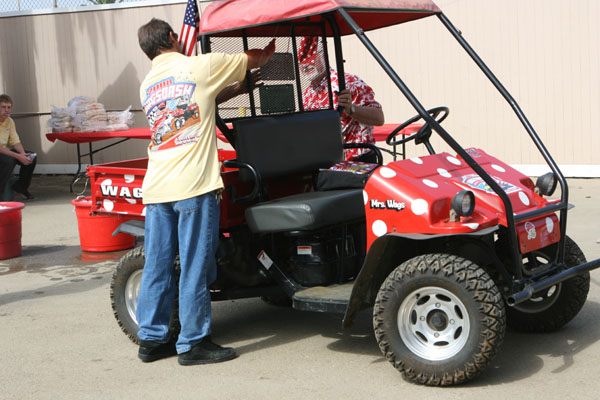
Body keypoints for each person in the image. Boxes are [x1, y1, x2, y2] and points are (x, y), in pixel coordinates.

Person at [135, 18, 275, 366]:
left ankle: (151, 340)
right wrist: (272, 47)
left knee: (157, 266)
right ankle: (193, 342)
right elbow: (254, 58)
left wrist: (237, 90)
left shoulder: (148, 84)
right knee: (195, 265)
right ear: (173, 37)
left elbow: (195, 103)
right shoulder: (199, 65)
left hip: (157, 188)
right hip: (193, 186)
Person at [298, 37, 385, 163]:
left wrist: (351, 109)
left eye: (311, 57)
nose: (306, 64)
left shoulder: (348, 82)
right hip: (324, 162)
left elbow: (379, 118)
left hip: (357, 162)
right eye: (302, 59)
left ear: (323, 55)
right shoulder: (306, 95)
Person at [0, 94, 37, 200]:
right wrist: (17, 156)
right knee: (9, 161)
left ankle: (20, 187)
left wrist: (22, 154)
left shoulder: (9, 121)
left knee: (31, 157)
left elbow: (15, 141)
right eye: (3, 107)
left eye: (9, 107)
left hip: (4, 151)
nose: (7, 110)